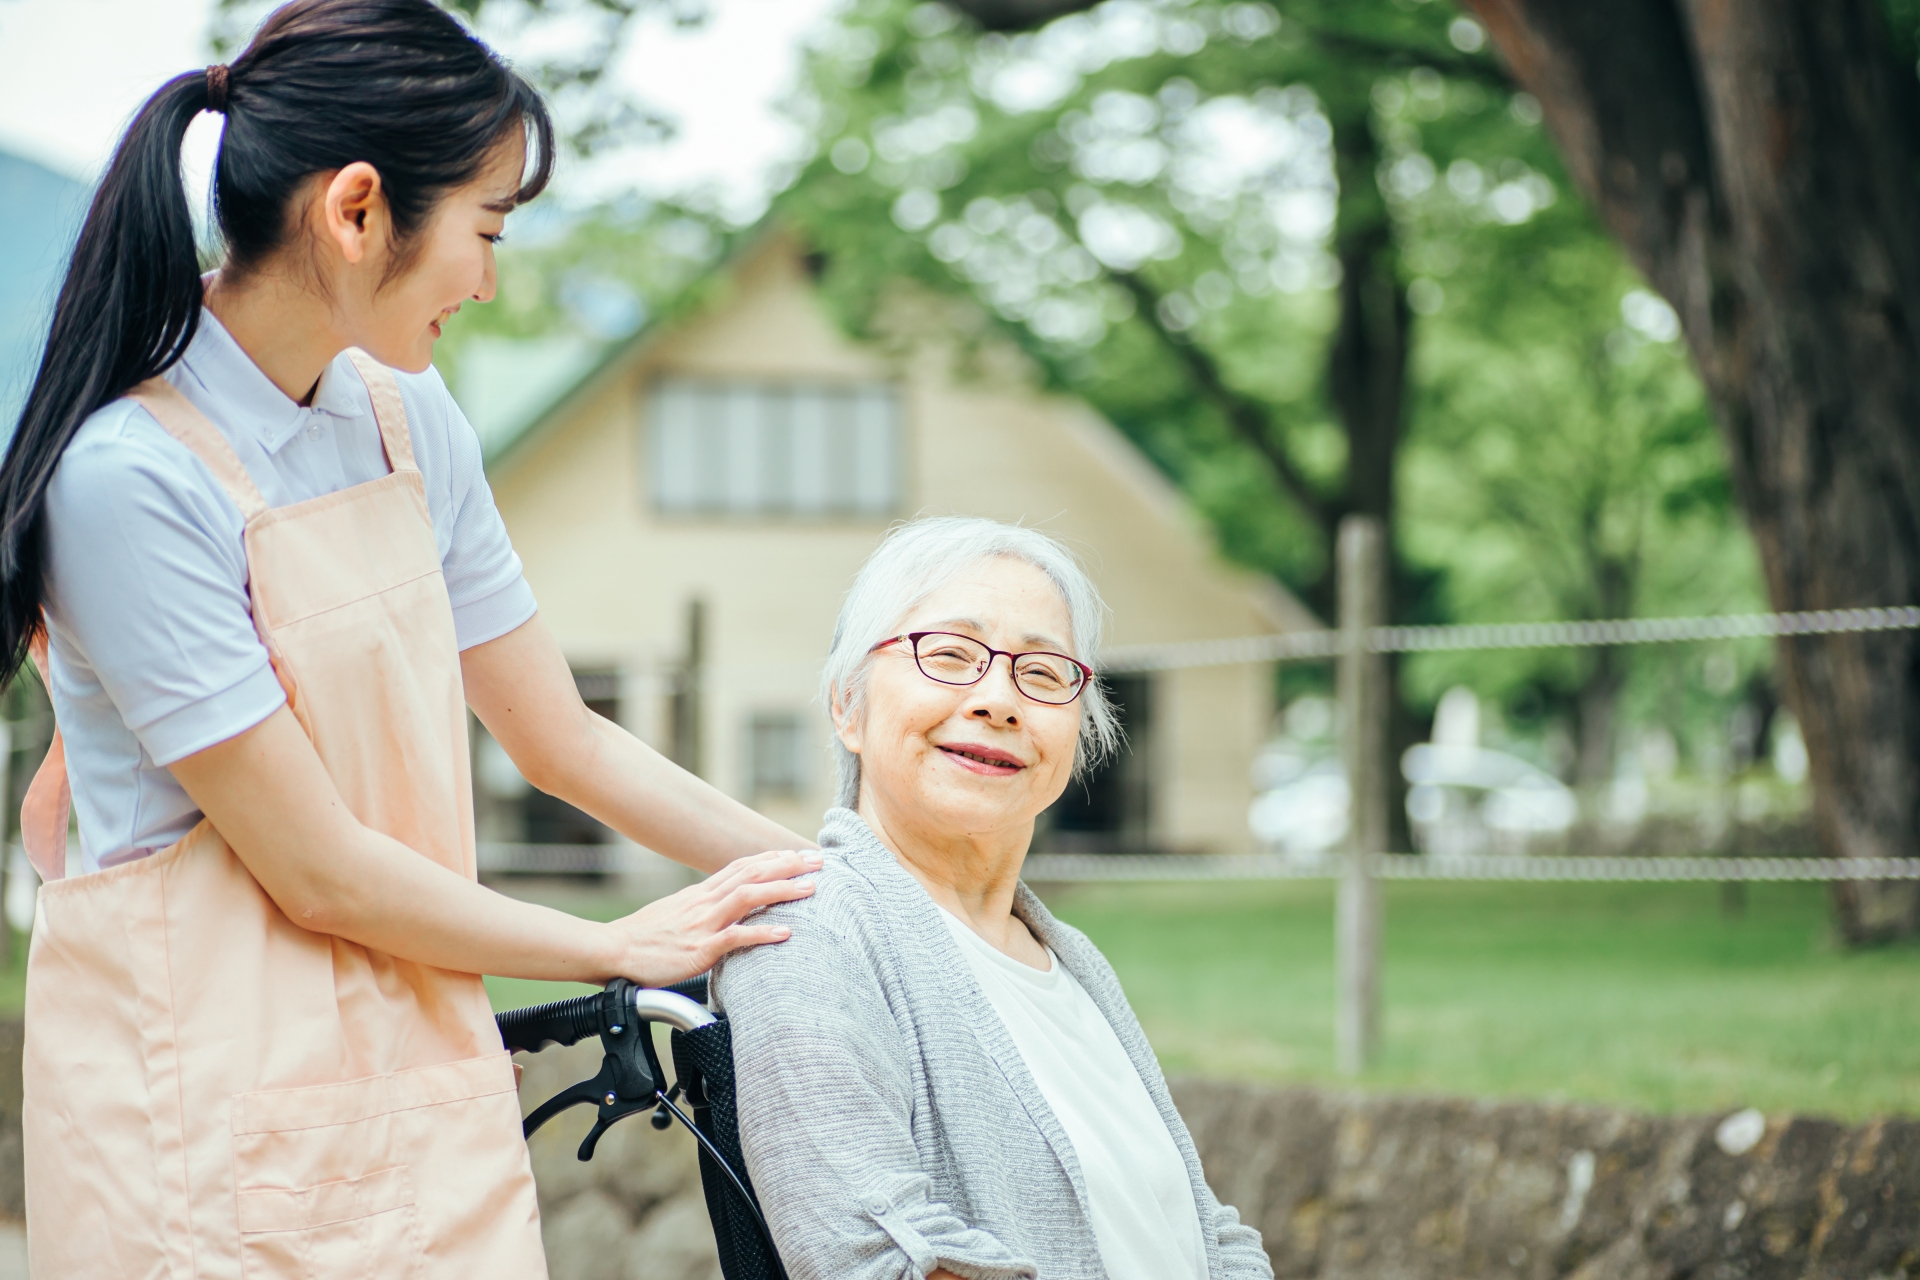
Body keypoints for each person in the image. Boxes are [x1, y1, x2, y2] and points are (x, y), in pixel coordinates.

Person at [0, 2, 819, 1274]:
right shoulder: (129, 480)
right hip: (196, 1116)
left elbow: (561, 738)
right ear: (358, 209)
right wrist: (616, 944)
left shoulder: (407, 415)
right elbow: (317, 866)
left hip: (415, 1084)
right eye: (484, 229)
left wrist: (846, 886)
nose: (490, 280)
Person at [715, 517, 1273, 1280]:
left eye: (1044, 675)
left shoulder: (1071, 962)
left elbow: (1208, 1231)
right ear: (849, 705)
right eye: (949, 655)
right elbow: (877, 1262)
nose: (999, 700)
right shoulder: (810, 936)